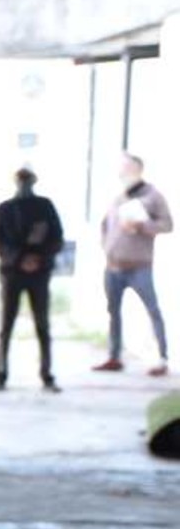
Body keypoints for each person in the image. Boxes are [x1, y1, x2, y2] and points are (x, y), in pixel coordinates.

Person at [93, 153, 173, 376]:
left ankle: (162, 358)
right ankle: (114, 356)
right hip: (113, 266)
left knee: (152, 310)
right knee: (113, 312)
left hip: (139, 266)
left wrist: (141, 226)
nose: (121, 172)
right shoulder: (118, 197)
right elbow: (105, 225)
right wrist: (106, 247)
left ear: (137, 169)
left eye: (125, 167)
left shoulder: (153, 196)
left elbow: (167, 225)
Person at [0, 167, 64, 391]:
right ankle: (1, 373)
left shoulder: (45, 206)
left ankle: (46, 373)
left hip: (39, 274)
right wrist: (19, 259)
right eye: (21, 181)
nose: (24, 185)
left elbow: (57, 237)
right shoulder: (5, 209)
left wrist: (38, 258)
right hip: (13, 273)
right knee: (6, 324)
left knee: (42, 324)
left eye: (27, 180)